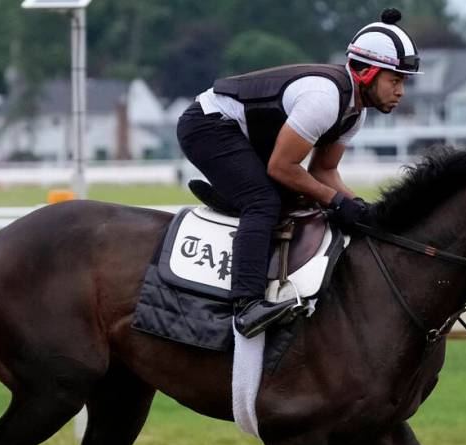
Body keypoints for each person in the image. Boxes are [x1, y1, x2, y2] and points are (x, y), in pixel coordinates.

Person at [176, 8, 421, 338]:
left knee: (300, 197)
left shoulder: (354, 114)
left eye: (403, 81)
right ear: (366, 73)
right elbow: (282, 167)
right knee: (263, 202)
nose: (401, 91)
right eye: (395, 79)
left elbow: (324, 171)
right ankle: (246, 306)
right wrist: (337, 201)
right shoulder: (324, 100)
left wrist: (362, 209)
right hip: (207, 125)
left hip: (246, 135)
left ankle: (237, 201)